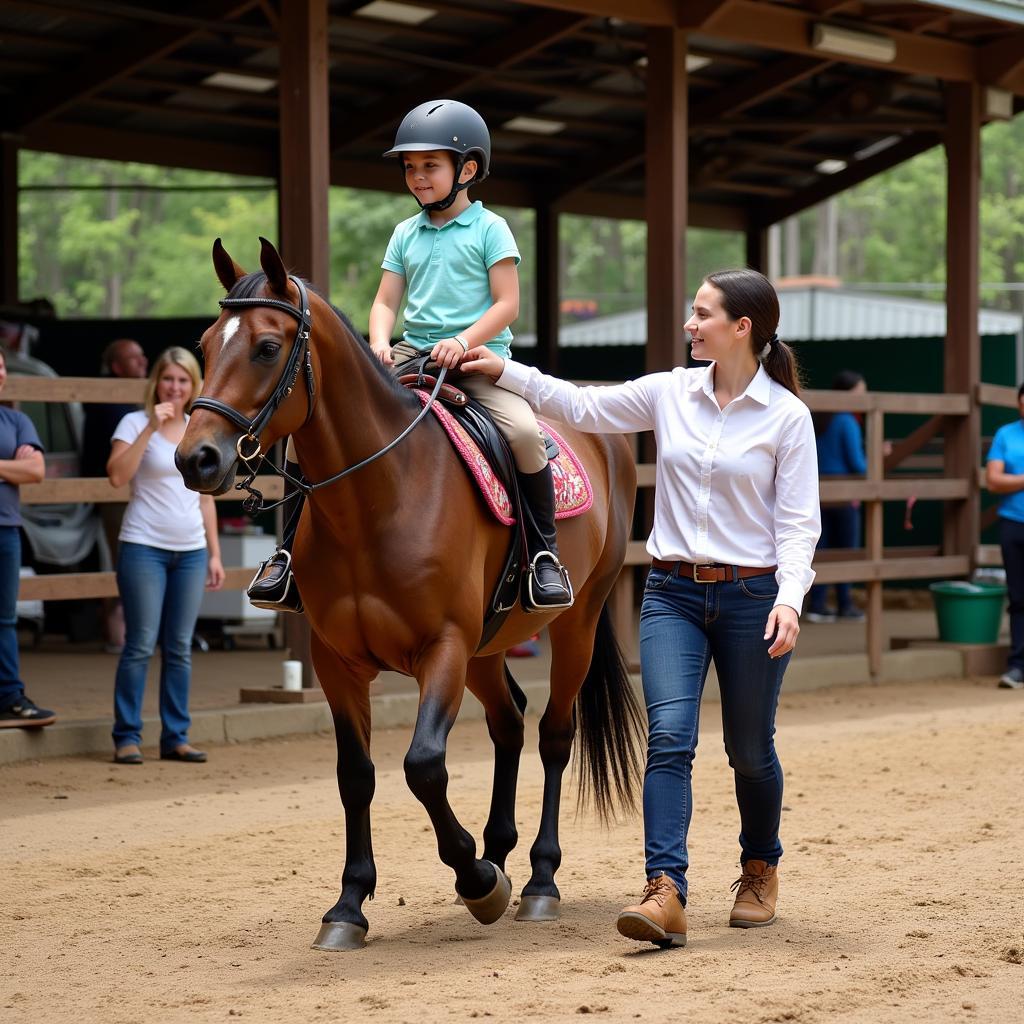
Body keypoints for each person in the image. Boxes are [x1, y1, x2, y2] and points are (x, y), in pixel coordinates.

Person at [462, 269, 820, 947]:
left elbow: (799, 525)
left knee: (750, 751)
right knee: (669, 739)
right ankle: (665, 891)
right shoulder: (669, 392)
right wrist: (505, 369)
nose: (690, 324)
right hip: (672, 596)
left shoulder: (787, 418)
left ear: (742, 329)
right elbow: (582, 408)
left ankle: (759, 866)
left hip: (753, 598)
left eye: (702, 314)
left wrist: (791, 601)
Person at [247, 99, 573, 614]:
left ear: (467, 170)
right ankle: (286, 555)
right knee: (308, 430)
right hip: (408, 353)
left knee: (524, 434)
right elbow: (384, 300)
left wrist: (464, 342)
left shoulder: (491, 230)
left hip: (476, 359)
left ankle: (544, 558)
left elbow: (507, 304)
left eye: (430, 166)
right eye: (410, 167)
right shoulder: (405, 232)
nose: (417, 177)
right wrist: (379, 340)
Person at [106, 347, 224, 764]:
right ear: (156, 381)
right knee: (139, 643)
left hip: (191, 551)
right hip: (143, 546)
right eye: (168, 378)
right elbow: (117, 477)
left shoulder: (199, 426)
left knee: (179, 646)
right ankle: (127, 736)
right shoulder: (134, 421)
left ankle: (176, 735)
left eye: (183, 380)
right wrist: (150, 429)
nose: (175, 387)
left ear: (194, 386)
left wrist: (214, 553)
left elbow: (206, 496)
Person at [81, 338, 149, 651]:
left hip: (136, 493)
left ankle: (132, 630)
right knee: (121, 559)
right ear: (116, 366)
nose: (143, 362)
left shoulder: (136, 395)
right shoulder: (110, 398)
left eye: (142, 357)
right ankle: (117, 632)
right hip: (114, 492)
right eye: (133, 359)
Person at [0, 348, 54, 729]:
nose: (0, 373)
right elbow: (21, 468)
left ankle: (9, 696)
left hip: (6, 529)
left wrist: (18, 468)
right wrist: (10, 468)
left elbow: (36, 471)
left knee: (5, 619)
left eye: (1, 367)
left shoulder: (16, 419)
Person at [805, 369, 868, 624]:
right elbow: (857, 463)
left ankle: (817, 604)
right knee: (846, 550)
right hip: (844, 494)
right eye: (860, 395)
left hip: (817, 493)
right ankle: (845, 603)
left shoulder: (818, 418)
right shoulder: (847, 421)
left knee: (821, 550)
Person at [985, 381, 1024, 690]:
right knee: (1018, 597)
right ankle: (1017, 665)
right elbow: (993, 480)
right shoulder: (1006, 434)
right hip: (1013, 523)